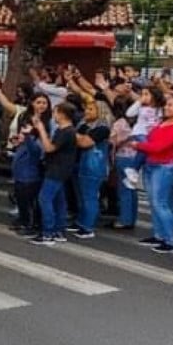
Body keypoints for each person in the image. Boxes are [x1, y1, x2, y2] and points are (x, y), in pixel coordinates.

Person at [134, 94, 173, 253]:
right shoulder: (163, 122)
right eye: (166, 104)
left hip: (165, 166)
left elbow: (158, 147)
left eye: (171, 105)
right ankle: (159, 235)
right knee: (154, 202)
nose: (166, 107)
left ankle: (171, 241)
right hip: (152, 164)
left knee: (161, 203)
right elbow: (151, 141)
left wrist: (138, 145)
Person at [30, 102, 78, 246]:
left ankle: (48, 233)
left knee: (45, 198)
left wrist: (41, 129)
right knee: (59, 200)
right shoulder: (66, 130)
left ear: (62, 114)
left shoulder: (66, 131)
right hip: (61, 169)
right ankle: (58, 230)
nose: (53, 115)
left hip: (56, 169)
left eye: (55, 112)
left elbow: (49, 148)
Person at [72, 99, 111, 239]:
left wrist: (72, 132)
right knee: (82, 196)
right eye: (86, 109)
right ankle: (80, 221)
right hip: (80, 164)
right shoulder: (83, 125)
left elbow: (84, 142)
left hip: (94, 167)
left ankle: (88, 226)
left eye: (91, 109)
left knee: (90, 196)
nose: (86, 112)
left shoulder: (103, 128)